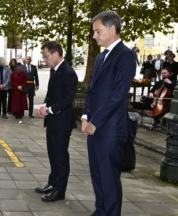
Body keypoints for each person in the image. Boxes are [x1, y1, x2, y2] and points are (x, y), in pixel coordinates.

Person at [81, 11, 136, 216]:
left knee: (109, 178)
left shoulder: (126, 55)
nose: (94, 36)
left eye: (98, 31)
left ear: (112, 29)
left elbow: (118, 94)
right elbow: (92, 90)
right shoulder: (100, 57)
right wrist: (86, 116)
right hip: (94, 126)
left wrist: (96, 120)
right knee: (97, 176)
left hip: (111, 129)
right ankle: (100, 211)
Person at [35, 41, 78, 202]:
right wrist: (44, 106)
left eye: (46, 57)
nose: (44, 60)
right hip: (52, 121)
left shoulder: (68, 73)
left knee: (61, 157)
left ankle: (60, 190)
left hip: (62, 123)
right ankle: (52, 184)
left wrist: (50, 110)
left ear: (56, 54)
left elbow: (68, 100)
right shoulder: (55, 71)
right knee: (53, 155)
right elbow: (52, 94)